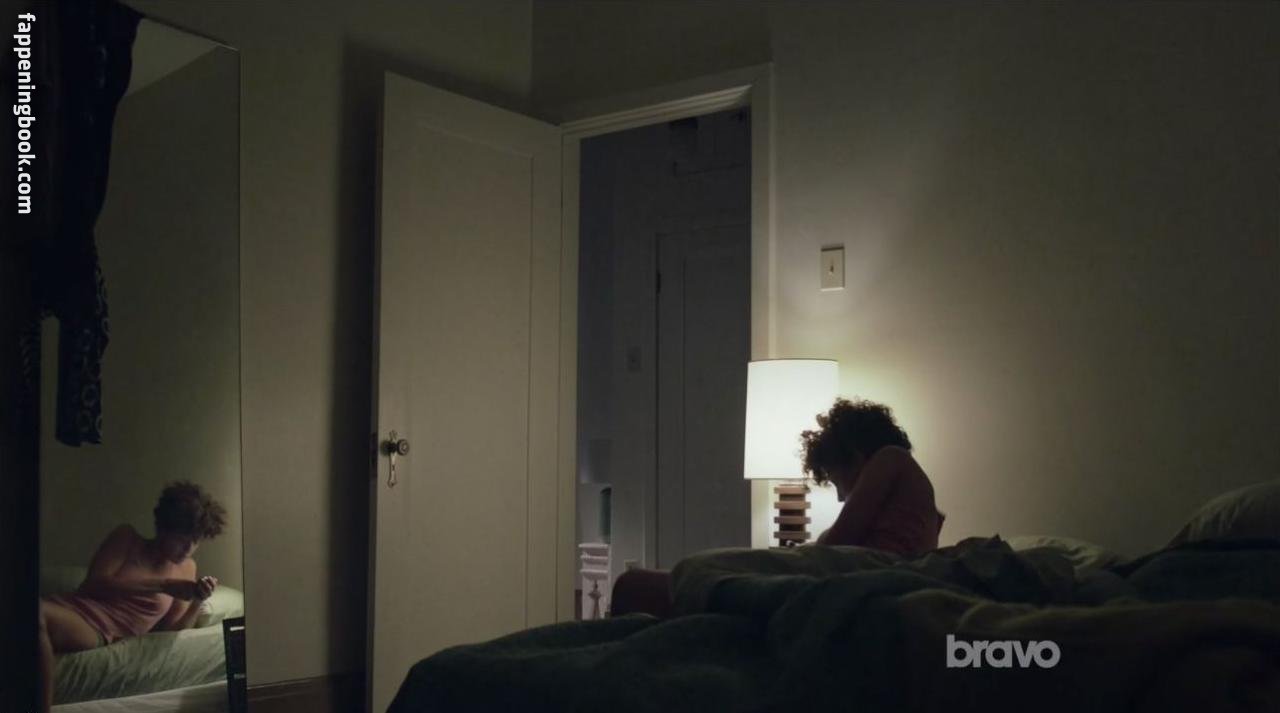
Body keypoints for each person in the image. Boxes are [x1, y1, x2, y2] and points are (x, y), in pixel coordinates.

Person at [38, 481, 225, 712]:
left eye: (195, 541)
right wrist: (164, 585)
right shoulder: (126, 538)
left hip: (97, 628)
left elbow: (172, 629)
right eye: (181, 539)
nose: (188, 549)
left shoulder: (187, 568)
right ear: (163, 528)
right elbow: (94, 584)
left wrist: (198, 598)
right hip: (69, 607)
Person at [801, 398, 944, 556]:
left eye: (837, 483)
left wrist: (817, 542)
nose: (840, 498)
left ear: (854, 458)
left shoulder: (891, 458)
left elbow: (834, 542)